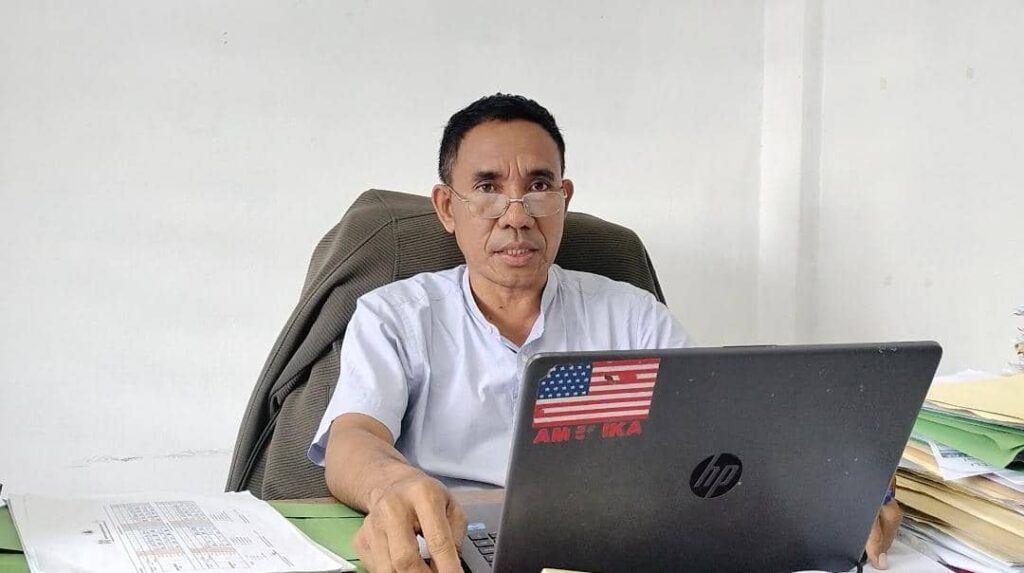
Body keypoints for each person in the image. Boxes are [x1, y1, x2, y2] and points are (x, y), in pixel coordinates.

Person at [307, 94, 901, 573]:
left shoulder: (631, 315)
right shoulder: (396, 314)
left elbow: (719, 429)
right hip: (453, 542)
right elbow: (352, 437)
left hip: (612, 545)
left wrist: (837, 480)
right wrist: (394, 485)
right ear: (446, 207)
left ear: (563, 199)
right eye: (487, 188)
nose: (517, 214)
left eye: (539, 185)